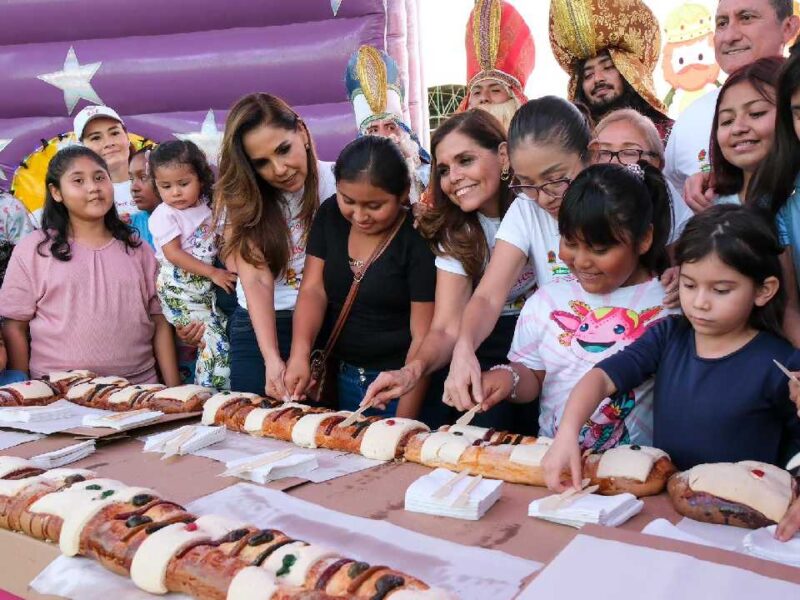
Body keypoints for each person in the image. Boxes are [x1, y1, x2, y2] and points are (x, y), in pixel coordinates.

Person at [542, 205, 800, 503]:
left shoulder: (782, 365)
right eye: (690, 285)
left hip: (744, 515)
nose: (700, 302)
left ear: (763, 290)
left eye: (721, 290)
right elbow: (600, 379)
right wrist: (567, 434)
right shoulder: (668, 336)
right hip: (663, 506)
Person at [467, 163, 677, 446]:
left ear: (644, 239)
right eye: (570, 242)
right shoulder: (546, 302)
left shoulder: (670, 303)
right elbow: (535, 377)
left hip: (637, 473)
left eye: (600, 249)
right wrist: (508, 380)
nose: (582, 260)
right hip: (554, 465)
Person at [360, 110, 537, 431]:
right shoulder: (455, 228)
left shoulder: (539, 206)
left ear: (503, 155)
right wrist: (411, 372)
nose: (453, 177)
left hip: (545, 343)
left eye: (465, 160)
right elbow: (445, 328)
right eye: (443, 169)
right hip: (478, 347)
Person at [444, 96, 589, 406]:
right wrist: (465, 347)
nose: (542, 198)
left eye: (555, 180)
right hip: (559, 393)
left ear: (591, 155)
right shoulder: (526, 208)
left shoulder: (621, 199)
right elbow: (487, 296)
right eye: (525, 183)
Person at [0, 146, 179, 384]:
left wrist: (172, 388)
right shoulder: (34, 250)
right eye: (78, 180)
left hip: (138, 390)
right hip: (57, 394)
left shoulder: (139, 249)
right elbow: (15, 327)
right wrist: (24, 390)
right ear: (56, 192)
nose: (93, 187)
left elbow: (160, 323)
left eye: (99, 177)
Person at [284, 136, 436, 416]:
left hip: (398, 387)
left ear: (403, 193)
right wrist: (299, 355)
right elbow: (313, 290)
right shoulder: (330, 214)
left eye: (375, 206)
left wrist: (402, 421)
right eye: (349, 200)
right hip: (342, 378)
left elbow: (422, 336)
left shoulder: (416, 239)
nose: (359, 215)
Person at [214, 93, 336, 397]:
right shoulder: (243, 198)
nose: (279, 169)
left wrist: (301, 354)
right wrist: (271, 358)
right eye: (262, 163)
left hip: (329, 325)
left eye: (284, 149)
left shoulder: (339, 182)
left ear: (303, 132)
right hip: (260, 326)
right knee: (251, 432)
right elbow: (255, 278)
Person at [665, 0, 799, 208]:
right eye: (722, 23)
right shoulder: (689, 119)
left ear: (789, 27)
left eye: (746, 18)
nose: (729, 36)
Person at [148, 140, 233, 390]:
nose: (175, 192)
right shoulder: (164, 214)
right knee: (213, 342)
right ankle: (206, 396)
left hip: (204, 290)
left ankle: (215, 393)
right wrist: (214, 272)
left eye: (183, 184)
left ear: (201, 178)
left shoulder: (210, 205)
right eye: (166, 186)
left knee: (221, 337)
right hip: (180, 289)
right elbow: (173, 254)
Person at [549, 0, 673, 142]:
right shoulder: (577, 145)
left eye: (607, 67)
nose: (598, 78)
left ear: (629, 73)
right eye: (588, 75)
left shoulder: (667, 135)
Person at [591, 109, 694, 245]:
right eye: (604, 152)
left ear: (658, 163)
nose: (614, 162)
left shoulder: (682, 229)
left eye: (629, 152)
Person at [345, 45, 431, 206]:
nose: (385, 137)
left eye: (391, 127)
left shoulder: (432, 181)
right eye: (373, 130)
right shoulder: (348, 190)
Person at [457, 0, 535, 132]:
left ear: (515, 99)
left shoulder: (537, 142)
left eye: (495, 90)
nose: (484, 98)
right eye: (476, 92)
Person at [73, 105, 139, 218]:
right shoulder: (78, 195)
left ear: (127, 138)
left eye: (114, 133)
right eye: (96, 138)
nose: (109, 143)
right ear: (82, 148)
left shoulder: (156, 182)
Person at [128, 146, 160, 249]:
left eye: (143, 177)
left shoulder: (197, 220)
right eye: (131, 179)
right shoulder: (128, 226)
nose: (134, 187)